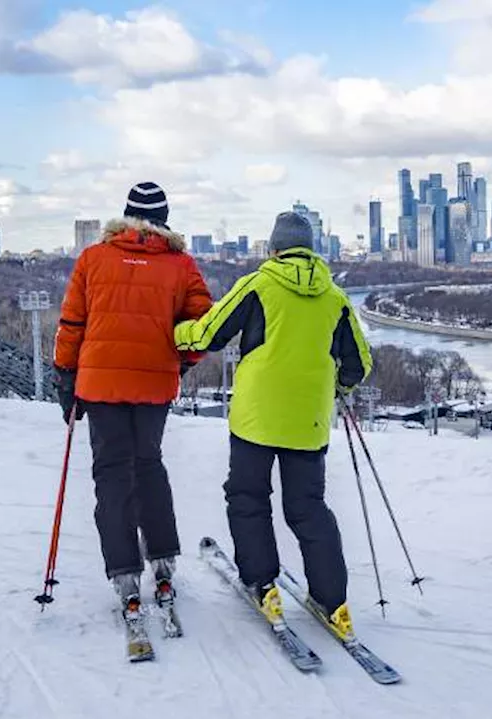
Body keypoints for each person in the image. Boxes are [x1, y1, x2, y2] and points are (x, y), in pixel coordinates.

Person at [174, 211, 372, 639]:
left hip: (256, 418)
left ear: (274, 248)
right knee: (308, 508)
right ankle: (333, 600)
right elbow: (360, 364)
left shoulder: (258, 284)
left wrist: (174, 334)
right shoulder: (335, 297)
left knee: (247, 496)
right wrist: (336, 386)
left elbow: (208, 333)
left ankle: (262, 584)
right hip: (309, 420)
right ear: (312, 249)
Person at [53, 181, 212, 621]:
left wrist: (65, 376)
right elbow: (203, 323)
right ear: (164, 218)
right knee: (148, 465)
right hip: (154, 384)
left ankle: (124, 574)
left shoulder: (93, 259)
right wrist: (181, 362)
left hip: (99, 384)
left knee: (111, 474)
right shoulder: (181, 264)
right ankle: (162, 560)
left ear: (124, 216)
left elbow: (72, 322)